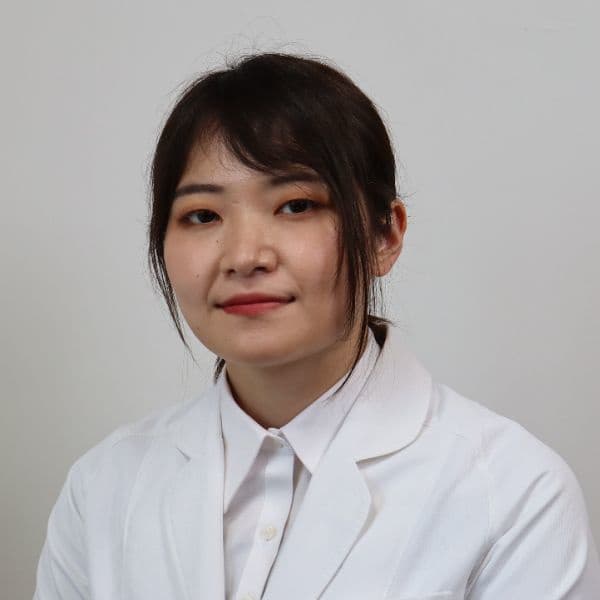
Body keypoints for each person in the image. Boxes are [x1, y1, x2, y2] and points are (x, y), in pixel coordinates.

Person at [34, 52, 600, 599]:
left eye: (296, 205)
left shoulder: (513, 493)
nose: (244, 256)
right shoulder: (104, 487)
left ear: (384, 235)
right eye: (202, 215)